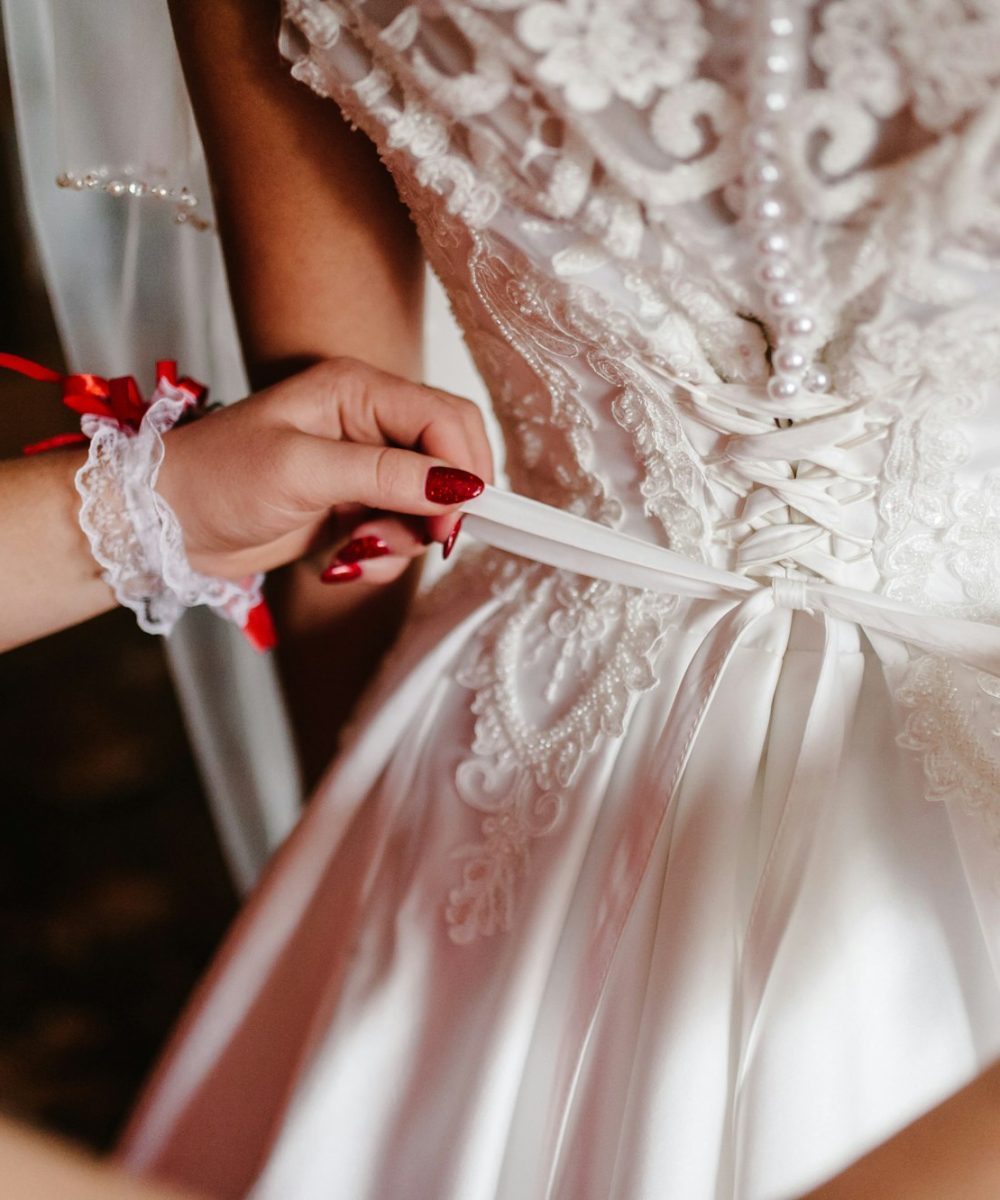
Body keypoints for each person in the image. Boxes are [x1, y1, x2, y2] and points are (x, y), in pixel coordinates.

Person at [117, 2, 1000, 1198]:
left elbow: (335, 449)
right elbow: (327, 457)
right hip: (525, 759)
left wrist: (359, 795)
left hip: (518, 737)